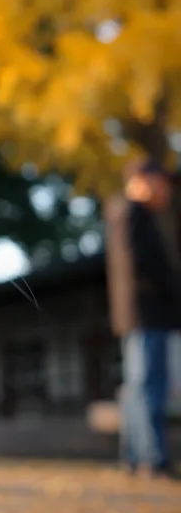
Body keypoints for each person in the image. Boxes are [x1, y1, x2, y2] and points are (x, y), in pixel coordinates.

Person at [105, 159, 181, 478]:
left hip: (141, 315)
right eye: (159, 183)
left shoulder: (122, 213)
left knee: (138, 387)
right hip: (149, 314)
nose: (165, 191)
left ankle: (136, 457)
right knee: (150, 386)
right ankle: (154, 458)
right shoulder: (134, 214)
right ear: (142, 181)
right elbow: (146, 266)